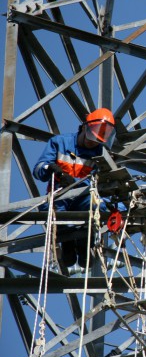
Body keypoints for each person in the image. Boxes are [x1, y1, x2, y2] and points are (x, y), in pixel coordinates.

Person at [33, 108, 117, 268]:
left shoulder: (100, 155)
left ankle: (85, 242)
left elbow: (105, 186)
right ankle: (67, 244)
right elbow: (38, 171)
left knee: (95, 205)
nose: (93, 142)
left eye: (99, 139)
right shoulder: (60, 143)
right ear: (85, 127)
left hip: (84, 199)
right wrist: (52, 169)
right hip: (60, 197)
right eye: (93, 136)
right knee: (53, 209)